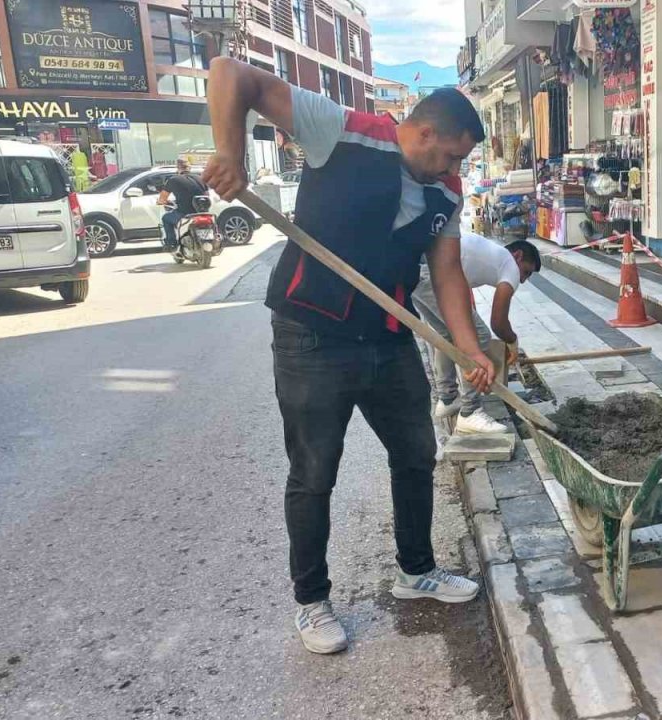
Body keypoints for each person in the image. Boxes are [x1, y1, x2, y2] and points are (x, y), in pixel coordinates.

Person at [200, 57, 497, 656]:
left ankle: (417, 571)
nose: (455, 168)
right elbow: (230, 71)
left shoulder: (447, 190)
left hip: (387, 335)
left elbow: (446, 274)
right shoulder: (341, 128)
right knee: (315, 473)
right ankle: (312, 601)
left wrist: (470, 350)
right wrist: (229, 153)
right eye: (450, 155)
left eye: (461, 161)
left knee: (416, 453)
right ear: (421, 132)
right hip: (312, 335)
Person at [412, 234, 541, 434]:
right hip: (430, 273)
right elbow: (498, 323)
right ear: (517, 255)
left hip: (417, 270)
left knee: (449, 336)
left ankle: (447, 399)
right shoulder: (509, 265)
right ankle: (470, 411)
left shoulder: (489, 255)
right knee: (479, 335)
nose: (522, 280)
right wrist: (512, 342)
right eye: (526, 271)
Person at [157, 158, 208, 251]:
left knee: (166, 218)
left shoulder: (173, 180)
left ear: (178, 168)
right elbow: (206, 196)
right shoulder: (200, 178)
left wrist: (162, 202)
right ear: (189, 167)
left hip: (185, 214)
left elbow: (162, 198)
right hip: (203, 213)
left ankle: (171, 243)